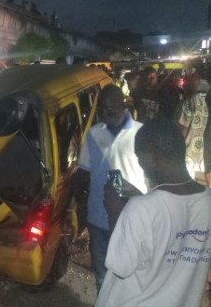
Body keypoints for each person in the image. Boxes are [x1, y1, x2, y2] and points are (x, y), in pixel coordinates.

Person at [96, 119, 211, 307]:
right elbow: (172, 228)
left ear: (151, 152)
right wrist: (143, 196)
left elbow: (121, 266)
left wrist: (114, 212)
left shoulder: (140, 209)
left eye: (139, 156)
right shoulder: (207, 202)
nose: (140, 163)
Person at [73, 84, 148, 293]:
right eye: (101, 110)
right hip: (98, 218)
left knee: (130, 275)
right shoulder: (93, 134)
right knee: (102, 275)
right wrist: (75, 206)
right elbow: (83, 173)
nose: (105, 114)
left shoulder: (140, 133)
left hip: (130, 218)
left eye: (110, 109)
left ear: (123, 105)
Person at [175, 71, 208, 184]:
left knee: (184, 186)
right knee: (197, 186)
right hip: (198, 153)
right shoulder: (202, 103)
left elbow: (180, 132)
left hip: (185, 154)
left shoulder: (187, 103)